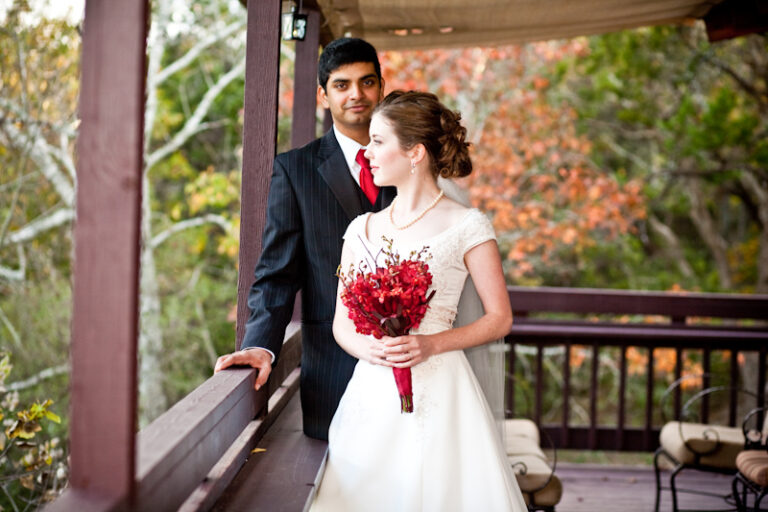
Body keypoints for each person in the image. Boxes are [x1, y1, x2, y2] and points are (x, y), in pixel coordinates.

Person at [309, 91, 527, 511]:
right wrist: (368, 348)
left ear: (415, 153)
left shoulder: (468, 225)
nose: (367, 153)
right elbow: (341, 323)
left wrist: (430, 344)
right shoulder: (361, 229)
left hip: (442, 391)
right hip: (371, 393)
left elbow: (499, 319)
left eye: (377, 141)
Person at [213, 38, 396, 441]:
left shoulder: (413, 163)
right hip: (333, 370)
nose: (356, 95)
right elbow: (276, 273)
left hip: (412, 369)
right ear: (323, 94)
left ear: (381, 87)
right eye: (342, 85)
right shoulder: (295, 171)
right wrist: (260, 344)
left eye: (367, 82)